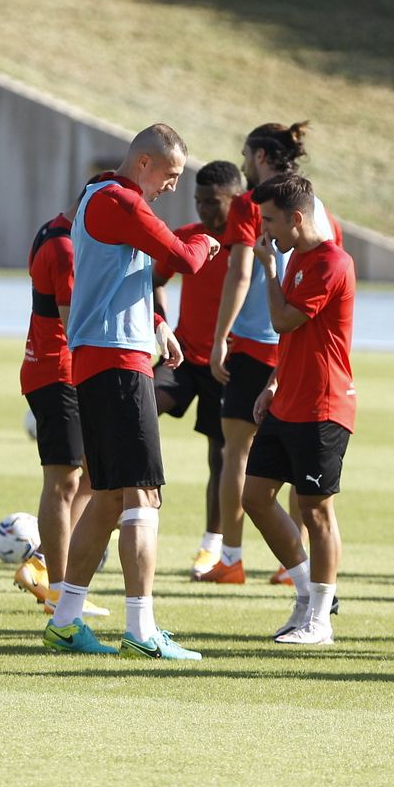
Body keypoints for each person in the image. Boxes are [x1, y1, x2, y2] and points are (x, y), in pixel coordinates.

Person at [42, 124, 218, 659]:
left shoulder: (103, 195)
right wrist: (207, 240)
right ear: (144, 162)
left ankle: (66, 619)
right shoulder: (120, 200)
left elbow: (139, 272)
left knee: (109, 494)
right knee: (143, 494)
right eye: (171, 174)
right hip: (117, 363)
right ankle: (141, 630)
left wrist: (158, 324)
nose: (173, 185)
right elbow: (185, 260)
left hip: (106, 358)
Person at [201, 122, 340, 586]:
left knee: (235, 456)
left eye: (245, 154)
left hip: (262, 344)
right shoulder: (317, 210)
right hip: (291, 356)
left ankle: (232, 558)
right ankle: (292, 567)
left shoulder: (250, 204)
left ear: (261, 156)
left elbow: (241, 275)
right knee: (286, 478)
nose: (242, 163)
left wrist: (220, 337)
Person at [239, 175, 356, 645]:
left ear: (297, 218)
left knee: (316, 511)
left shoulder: (331, 261)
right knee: (254, 497)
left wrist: (268, 268)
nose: (264, 230)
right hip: (289, 400)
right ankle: (309, 596)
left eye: (269, 220)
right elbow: (293, 337)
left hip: (323, 406)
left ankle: (320, 621)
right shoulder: (300, 260)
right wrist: (273, 381)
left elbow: (282, 319)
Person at [14, 182, 107, 620]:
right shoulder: (67, 247)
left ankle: (53, 572)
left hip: (57, 369)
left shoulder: (53, 229)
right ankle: (58, 588)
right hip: (58, 372)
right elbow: (75, 324)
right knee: (64, 480)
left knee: (90, 475)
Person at [152, 160, 241, 576]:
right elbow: (154, 279)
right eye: (198, 201)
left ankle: (212, 546)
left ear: (236, 200)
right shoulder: (188, 237)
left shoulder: (249, 244)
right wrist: (161, 323)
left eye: (213, 202)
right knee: (138, 406)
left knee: (220, 456)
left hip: (229, 363)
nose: (204, 210)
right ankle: (114, 509)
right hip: (183, 356)